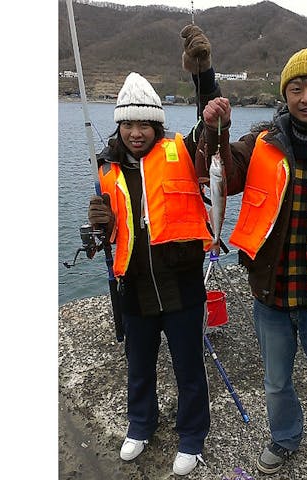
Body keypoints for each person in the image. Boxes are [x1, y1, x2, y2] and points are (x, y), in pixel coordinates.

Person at [196, 48, 307, 480]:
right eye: (296, 88)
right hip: (271, 292)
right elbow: (223, 171)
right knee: (276, 382)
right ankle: (284, 437)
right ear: (285, 94)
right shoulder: (262, 139)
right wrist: (213, 130)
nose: (305, 96)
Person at [87, 25, 221, 476]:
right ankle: (140, 424)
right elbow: (111, 235)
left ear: (158, 124)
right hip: (134, 288)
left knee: (189, 368)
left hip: (181, 284)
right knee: (138, 366)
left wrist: (203, 72)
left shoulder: (182, 150)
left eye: (144, 123)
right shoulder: (106, 171)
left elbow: (210, 119)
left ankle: (192, 436)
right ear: (119, 125)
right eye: (128, 123)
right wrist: (98, 227)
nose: (136, 132)